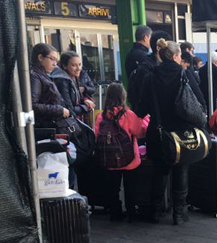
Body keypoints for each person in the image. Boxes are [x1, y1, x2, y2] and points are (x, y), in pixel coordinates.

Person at [138, 41, 198, 225]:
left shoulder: (150, 77)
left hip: (158, 132)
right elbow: (198, 101)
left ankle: (155, 211)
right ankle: (179, 213)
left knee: (159, 171)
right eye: (180, 55)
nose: (181, 58)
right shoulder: (184, 74)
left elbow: (141, 109)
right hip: (181, 133)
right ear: (174, 56)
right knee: (181, 170)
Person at [95, 83, 149, 222]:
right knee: (131, 187)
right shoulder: (128, 114)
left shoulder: (101, 116)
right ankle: (132, 212)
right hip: (129, 159)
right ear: (123, 96)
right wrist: (146, 119)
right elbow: (140, 132)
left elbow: (97, 136)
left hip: (110, 159)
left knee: (113, 188)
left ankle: (115, 212)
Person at [30, 43, 70, 128]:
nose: (55, 64)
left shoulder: (43, 75)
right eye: (52, 59)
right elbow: (32, 105)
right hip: (45, 126)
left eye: (56, 60)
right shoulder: (35, 76)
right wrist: (59, 110)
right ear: (40, 58)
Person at [52, 51, 95, 121]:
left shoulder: (73, 77)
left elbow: (77, 97)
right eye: (74, 65)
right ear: (64, 66)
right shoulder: (62, 81)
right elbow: (69, 110)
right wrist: (85, 107)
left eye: (80, 64)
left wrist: (85, 100)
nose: (78, 68)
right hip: (66, 123)